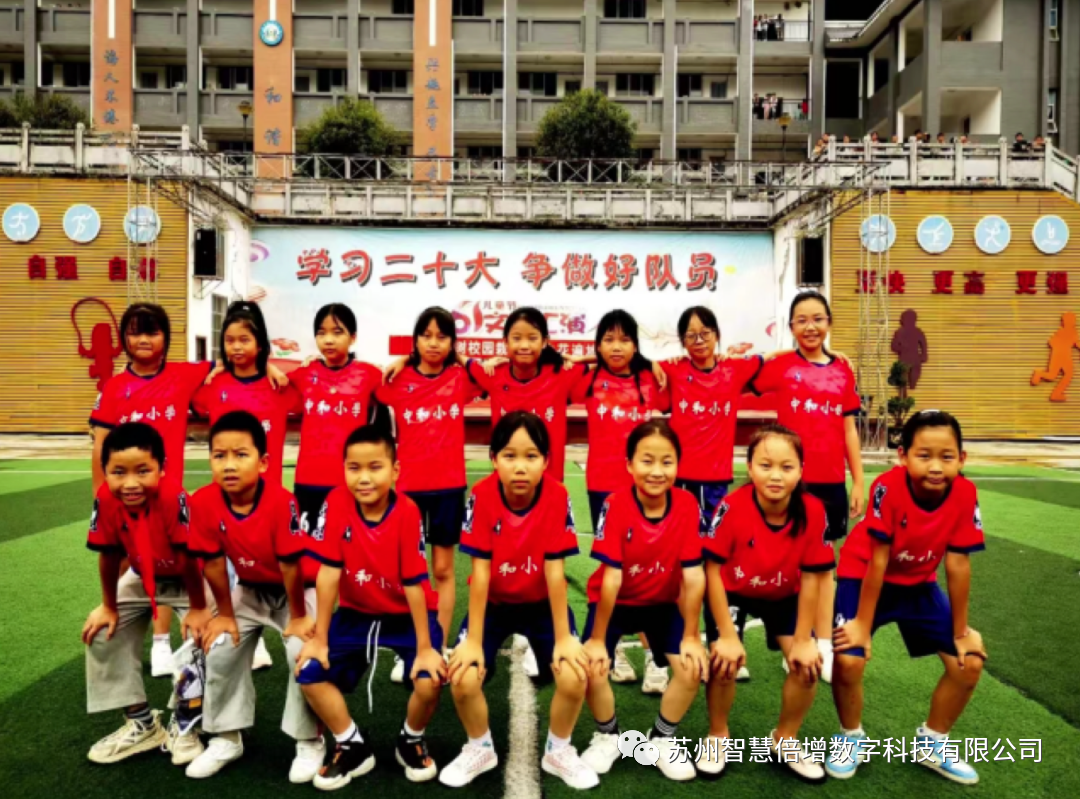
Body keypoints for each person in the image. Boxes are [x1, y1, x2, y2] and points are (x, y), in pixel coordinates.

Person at [827, 411, 987, 785]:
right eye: (924, 455)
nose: (936, 467)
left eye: (947, 456)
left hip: (918, 583)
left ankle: (932, 743)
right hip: (863, 575)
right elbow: (878, 560)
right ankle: (850, 737)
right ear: (903, 456)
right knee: (848, 659)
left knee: (969, 662)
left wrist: (961, 631)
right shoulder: (887, 486)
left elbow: (958, 564)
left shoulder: (965, 493)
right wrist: (862, 624)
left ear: (962, 458)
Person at [441, 412, 596, 790]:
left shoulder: (557, 495)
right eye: (510, 456)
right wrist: (472, 640)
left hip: (541, 604)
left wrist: (564, 638)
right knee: (462, 675)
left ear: (546, 460)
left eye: (531, 456)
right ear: (493, 459)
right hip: (495, 605)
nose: (520, 466)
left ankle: (559, 750)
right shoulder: (481, 495)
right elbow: (479, 575)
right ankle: (479, 747)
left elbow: (555, 573)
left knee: (575, 673)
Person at [296, 425, 446, 790]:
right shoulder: (336, 502)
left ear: (395, 471)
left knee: (430, 679)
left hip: (406, 616)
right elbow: (329, 573)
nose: (364, 478)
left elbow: (414, 584)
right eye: (354, 468)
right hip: (357, 612)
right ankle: (351, 744)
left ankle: (410, 739)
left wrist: (425, 648)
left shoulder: (407, 511)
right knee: (309, 672)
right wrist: (320, 637)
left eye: (375, 467)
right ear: (344, 469)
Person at [181, 411, 323, 782]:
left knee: (302, 652)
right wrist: (225, 615)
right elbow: (213, 563)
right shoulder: (203, 501)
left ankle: (309, 739)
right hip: (250, 590)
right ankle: (226, 737)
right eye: (219, 455)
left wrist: (298, 617)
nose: (229, 465)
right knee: (220, 646)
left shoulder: (280, 500)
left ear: (263, 462)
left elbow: (290, 566)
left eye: (240, 455)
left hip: (298, 591)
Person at [701, 425, 834, 782]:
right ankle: (717, 735)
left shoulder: (813, 510)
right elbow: (711, 571)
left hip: (784, 595)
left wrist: (805, 640)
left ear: (801, 470)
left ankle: (785, 739)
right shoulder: (732, 506)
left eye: (786, 467)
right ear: (749, 467)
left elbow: (813, 577)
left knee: (807, 666)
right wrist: (727, 635)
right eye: (765, 465)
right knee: (724, 662)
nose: (775, 475)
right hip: (732, 591)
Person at [578, 420, 708, 782]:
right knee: (592, 666)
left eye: (667, 462)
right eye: (647, 461)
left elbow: (694, 575)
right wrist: (597, 639)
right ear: (629, 464)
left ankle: (662, 738)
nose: (656, 471)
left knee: (691, 668)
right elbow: (612, 577)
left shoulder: (686, 504)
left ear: (678, 465)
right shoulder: (615, 504)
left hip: (662, 604)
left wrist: (692, 636)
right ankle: (608, 735)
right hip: (616, 603)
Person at [90, 304, 213, 677]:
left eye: (152, 331)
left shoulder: (183, 375)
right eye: (134, 332)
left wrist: (271, 368)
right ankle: (135, 637)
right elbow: (100, 445)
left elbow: (228, 366)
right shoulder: (114, 387)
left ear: (166, 338)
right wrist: (101, 495)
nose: (143, 339)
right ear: (124, 338)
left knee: (174, 563)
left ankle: (165, 642)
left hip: (166, 498)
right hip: (125, 498)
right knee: (129, 566)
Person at [751, 290, 865, 683]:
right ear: (790, 327)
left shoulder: (842, 371)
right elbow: (744, 376)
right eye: (801, 320)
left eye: (817, 318)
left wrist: (857, 480)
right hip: (788, 481)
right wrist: (779, 352)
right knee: (789, 563)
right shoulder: (782, 367)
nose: (810, 326)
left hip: (830, 481)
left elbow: (849, 430)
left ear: (829, 322)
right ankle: (795, 641)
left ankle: (823, 644)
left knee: (823, 567)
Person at [82, 423, 207, 763]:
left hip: (192, 580)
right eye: (118, 472)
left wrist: (199, 608)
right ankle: (142, 724)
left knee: (209, 639)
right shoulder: (106, 498)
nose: (130, 483)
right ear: (105, 471)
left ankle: (188, 721)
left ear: (161, 469)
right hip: (141, 576)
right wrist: (108, 606)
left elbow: (189, 558)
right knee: (102, 632)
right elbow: (109, 555)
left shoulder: (172, 495)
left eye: (143, 471)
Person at [377, 306, 485, 667]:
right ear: (415, 340)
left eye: (442, 336)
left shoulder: (458, 378)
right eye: (426, 335)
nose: (434, 343)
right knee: (408, 571)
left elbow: (486, 381)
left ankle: (437, 642)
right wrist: (401, 360)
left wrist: (461, 358)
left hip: (448, 487)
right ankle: (412, 643)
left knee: (442, 570)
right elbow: (369, 385)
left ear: (453, 342)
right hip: (408, 489)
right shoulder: (399, 380)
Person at [570, 310, 670, 692]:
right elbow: (555, 364)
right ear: (597, 345)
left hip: (646, 488)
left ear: (635, 344)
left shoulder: (650, 379)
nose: (616, 347)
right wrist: (586, 358)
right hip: (602, 487)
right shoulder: (588, 378)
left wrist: (653, 362)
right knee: (613, 569)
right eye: (608, 339)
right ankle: (614, 649)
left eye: (625, 339)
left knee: (645, 570)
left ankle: (654, 655)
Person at [289, 304, 384, 555]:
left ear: (353, 337)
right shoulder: (304, 374)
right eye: (321, 333)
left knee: (352, 553)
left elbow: (404, 384)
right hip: (309, 481)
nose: (328, 340)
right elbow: (270, 382)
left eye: (337, 332)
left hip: (352, 482)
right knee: (310, 557)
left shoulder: (368, 374)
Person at [464, 307, 589, 483]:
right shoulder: (493, 374)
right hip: (506, 483)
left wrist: (582, 359)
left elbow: (612, 361)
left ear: (545, 342)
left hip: (550, 483)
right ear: (505, 342)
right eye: (516, 338)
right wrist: (484, 362)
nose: (524, 346)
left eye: (532, 338)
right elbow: (457, 358)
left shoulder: (560, 374)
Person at [193, 302, 303, 488]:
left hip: (267, 492)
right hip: (225, 492)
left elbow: (315, 394)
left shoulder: (279, 385)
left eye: (244, 340)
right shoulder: (214, 384)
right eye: (230, 341)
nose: (236, 347)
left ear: (259, 344)